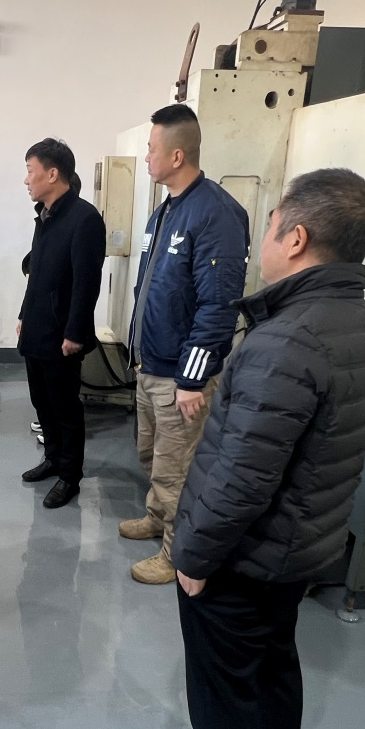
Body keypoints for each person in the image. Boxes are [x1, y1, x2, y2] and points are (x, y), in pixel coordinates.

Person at [124, 168, 365, 729]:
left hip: (245, 560)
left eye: (270, 225)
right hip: (297, 551)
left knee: (221, 700)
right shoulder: (354, 321)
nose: (262, 241)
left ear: (294, 238)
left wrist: (192, 557)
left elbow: (241, 478)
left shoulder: (286, 342)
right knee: (273, 669)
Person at [121, 104, 250, 586]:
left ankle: (178, 553)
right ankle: (157, 519)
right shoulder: (167, 210)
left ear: (177, 156)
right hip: (150, 365)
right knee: (152, 458)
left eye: (151, 149)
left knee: (178, 470)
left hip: (180, 375)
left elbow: (218, 306)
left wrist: (192, 379)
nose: (146, 157)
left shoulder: (215, 214)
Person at [17, 139, 105, 509]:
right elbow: (36, 274)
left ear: (52, 174)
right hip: (37, 327)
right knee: (41, 401)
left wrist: (75, 333)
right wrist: (23, 315)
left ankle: (70, 475)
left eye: (30, 171)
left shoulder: (84, 219)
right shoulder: (45, 215)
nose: (26, 180)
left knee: (65, 407)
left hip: (61, 334)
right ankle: (52, 457)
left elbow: (87, 283)